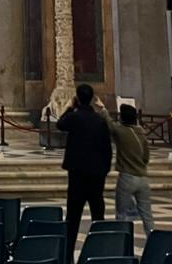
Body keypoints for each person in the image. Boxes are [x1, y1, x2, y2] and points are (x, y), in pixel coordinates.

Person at [58, 84, 113, 260]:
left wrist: (69, 107)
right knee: (98, 216)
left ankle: (67, 257)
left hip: (77, 176)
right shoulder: (100, 121)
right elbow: (107, 150)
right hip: (97, 175)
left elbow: (60, 124)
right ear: (92, 99)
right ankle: (101, 254)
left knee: (73, 218)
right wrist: (104, 171)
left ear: (77, 99)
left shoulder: (74, 117)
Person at [108, 103, 154, 236]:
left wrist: (103, 109)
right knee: (147, 214)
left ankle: (122, 240)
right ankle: (152, 238)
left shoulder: (121, 131)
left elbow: (109, 124)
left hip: (127, 176)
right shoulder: (141, 132)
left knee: (122, 214)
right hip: (143, 177)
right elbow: (146, 156)